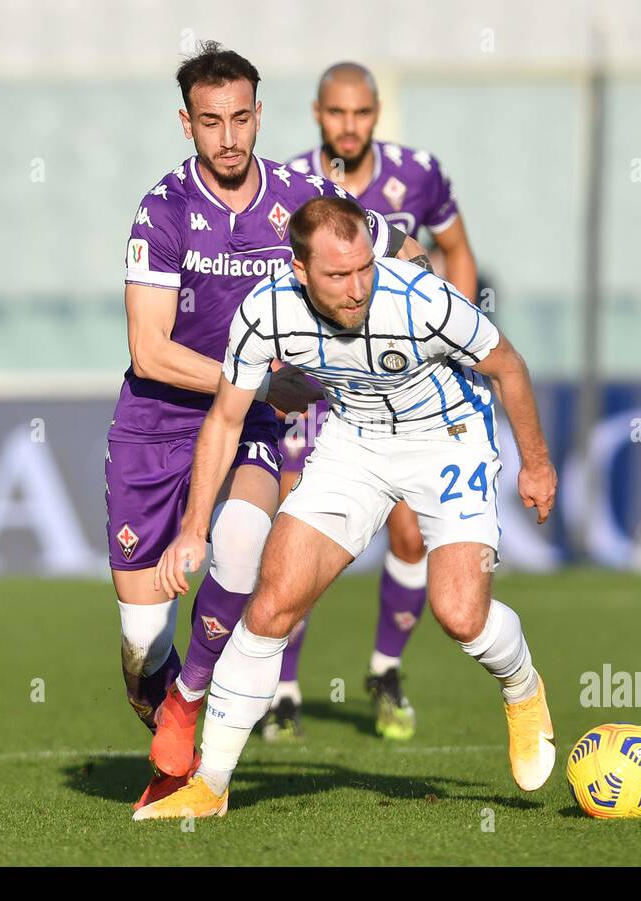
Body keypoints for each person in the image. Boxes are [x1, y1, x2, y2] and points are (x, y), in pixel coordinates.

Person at [135, 196, 557, 820]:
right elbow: (226, 419)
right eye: (338, 275)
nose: (358, 287)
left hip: (448, 434)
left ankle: (522, 690)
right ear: (299, 271)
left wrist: (538, 463)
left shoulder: (420, 299)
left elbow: (508, 365)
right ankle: (211, 785)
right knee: (273, 602)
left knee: (460, 613)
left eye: (364, 268)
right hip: (355, 441)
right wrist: (194, 527)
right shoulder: (266, 313)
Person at [111, 42, 426, 809]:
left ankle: (190, 702)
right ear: (187, 124)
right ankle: (164, 695)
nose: (229, 137)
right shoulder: (162, 212)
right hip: (154, 431)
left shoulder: (301, 195)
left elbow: (394, 248)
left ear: (259, 116)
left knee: (246, 540)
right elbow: (149, 351)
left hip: (248, 418)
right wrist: (249, 375)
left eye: (242, 118)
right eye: (211, 121)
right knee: (140, 640)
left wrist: (422, 311)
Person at [262, 63, 481, 742]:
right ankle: (284, 691)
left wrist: (459, 330)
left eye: (360, 113)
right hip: (320, 380)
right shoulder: (292, 185)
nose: (348, 126)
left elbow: (456, 251)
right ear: (317, 114)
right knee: (298, 521)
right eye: (336, 113)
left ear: (377, 112)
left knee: (412, 529)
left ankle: (385, 672)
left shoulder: (419, 173)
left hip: (401, 381)